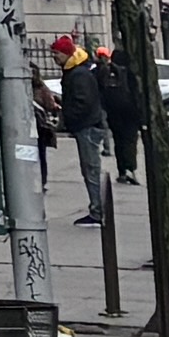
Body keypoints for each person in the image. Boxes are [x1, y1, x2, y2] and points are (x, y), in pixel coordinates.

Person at [64, 37, 119, 221]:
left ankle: (97, 210)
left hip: (87, 126)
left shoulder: (79, 74)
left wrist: (70, 117)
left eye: (56, 53)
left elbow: (84, 101)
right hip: (90, 124)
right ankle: (97, 209)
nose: (54, 57)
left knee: (91, 169)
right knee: (90, 169)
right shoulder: (81, 70)